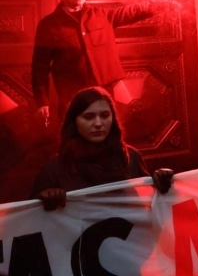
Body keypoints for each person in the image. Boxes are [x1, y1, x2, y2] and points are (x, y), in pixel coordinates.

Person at [31, 0, 183, 124]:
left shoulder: (101, 15)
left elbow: (135, 11)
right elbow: (39, 67)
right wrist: (42, 101)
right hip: (72, 94)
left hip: (104, 91)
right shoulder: (49, 25)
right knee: (76, 138)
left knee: (106, 133)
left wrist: (169, 0)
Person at [31, 86, 173, 209]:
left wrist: (161, 182)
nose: (98, 123)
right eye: (89, 117)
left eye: (105, 115)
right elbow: (29, 220)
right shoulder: (54, 169)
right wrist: (44, 199)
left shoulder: (130, 157)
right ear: (74, 122)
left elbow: (149, 205)